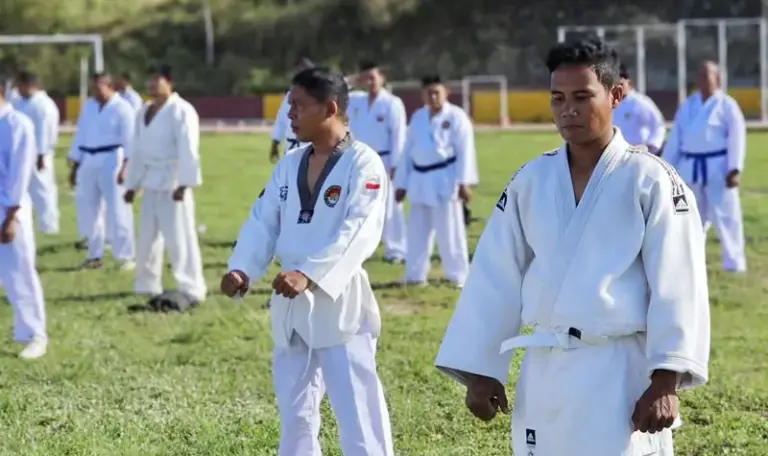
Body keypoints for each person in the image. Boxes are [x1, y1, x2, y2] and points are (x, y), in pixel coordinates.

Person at [434, 39, 710, 456]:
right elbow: (494, 274)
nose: (568, 110)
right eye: (558, 98)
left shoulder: (651, 179)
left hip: (618, 370)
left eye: (582, 97)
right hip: (545, 369)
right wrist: (481, 368)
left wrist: (666, 379)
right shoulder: (531, 180)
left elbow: (679, 282)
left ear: (616, 95)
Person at [221, 67, 394, 455]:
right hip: (290, 303)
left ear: (330, 108)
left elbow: (359, 231)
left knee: (358, 412)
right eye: (289, 105)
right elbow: (263, 220)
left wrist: (310, 273)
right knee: (296, 414)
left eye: (298, 105)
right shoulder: (290, 163)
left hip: (339, 301)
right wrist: (242, 267)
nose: (290, 114)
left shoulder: (363, 163)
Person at [124, 65, 206, 302]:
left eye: (157, 80)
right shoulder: (143, 111)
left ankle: (191, 286)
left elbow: (189, 149)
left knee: (180, 238)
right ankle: (146, 284)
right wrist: (132, 184)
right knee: (147, 238)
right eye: (149, 80)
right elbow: (137, 150)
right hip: (150, 181)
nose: (151, 84)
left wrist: (184, 184)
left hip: (173, 181)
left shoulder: (182, 110)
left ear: (170, 83)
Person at [662, 61, 747, 272]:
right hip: (689, 167)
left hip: (718, 167)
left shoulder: (727, 105)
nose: (701, 78)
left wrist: (734, 169)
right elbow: (676, 139)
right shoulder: (688, 105)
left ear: (717, 78)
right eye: (699, 75)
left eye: (706, 74)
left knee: (727, 216)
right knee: (689, 217)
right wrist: (667, 167)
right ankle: (692, 263)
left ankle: (734, 263)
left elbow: (737, 137)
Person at [394, 75, 478, 288]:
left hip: (445, 178)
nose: (432, 97)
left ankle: (458, 275)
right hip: (419, 178)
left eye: (436, 92)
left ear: (446, 92)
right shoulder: (418, 117)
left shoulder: (457, 117)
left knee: (450, 231)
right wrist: (401, 184)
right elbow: (407, 152)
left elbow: (465, 151)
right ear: (422, 94)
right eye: (428, 93)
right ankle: (415, 275)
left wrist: (464, 183)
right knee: (417, 231)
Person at [0, 75, 48, 359]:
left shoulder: (17, 124)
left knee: (19, 271)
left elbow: (19, 175)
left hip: (8, 207)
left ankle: (34, 335)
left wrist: (11, 216)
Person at [68, 72, 136, 270]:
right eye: (93, 88)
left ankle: (126, 256)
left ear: (110, 86)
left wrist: (126, 166)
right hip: (89, 158)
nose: (95, 92)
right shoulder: (89, 106)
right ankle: (94, 254)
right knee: (90, 209)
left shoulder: (123, 107)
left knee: (118, 208)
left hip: (112, 157)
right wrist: (75, 165)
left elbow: (130, 139)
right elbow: (81, 135)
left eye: (99, 88)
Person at [347, 60, 408, 263]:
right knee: (360, 204)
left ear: (382, 78)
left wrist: (396, 166)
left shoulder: (392, 103)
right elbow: (333, 92)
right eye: (366, 78)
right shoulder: (356, 100)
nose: (370, 82)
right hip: (360, 159)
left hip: (385, 159)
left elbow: (398, 135)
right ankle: (362, 248)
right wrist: (353, 80)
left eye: (373, 77)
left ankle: (396, 249)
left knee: (391, 206)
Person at [14, 71, 61, 234]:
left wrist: (41, 155)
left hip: (39, 154)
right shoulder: (21, 102)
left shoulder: (43, 104)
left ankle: (49, 226)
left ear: (29, 85)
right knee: (21, 190)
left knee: (43, 191)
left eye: (19, 85)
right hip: (22, 154)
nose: (17, 89)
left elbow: (44, 132)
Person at [613, 63, 667, 155]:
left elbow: (658, 125)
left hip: (639, 154)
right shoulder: (610, 103)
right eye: (615, 85)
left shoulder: (640, 102)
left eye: (621, 84)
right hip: (616, 154)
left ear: (629, 83)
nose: (618, 88)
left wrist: (652, 148)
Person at [269, 57, 315, 163]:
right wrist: (275, 142)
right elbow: (281, 119)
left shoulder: (317, 96)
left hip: (310, 147)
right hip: (290, 146)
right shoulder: (290, 95)